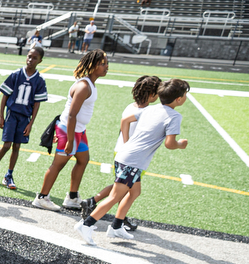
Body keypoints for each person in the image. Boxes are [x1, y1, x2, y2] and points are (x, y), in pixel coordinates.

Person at [75, 78, 189, 245]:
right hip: (132, 162)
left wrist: (126, 143)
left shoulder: (152, 109)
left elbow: (125, 121)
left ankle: (116, 226)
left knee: (134, 192)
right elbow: (170, 144)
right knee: (115, 196)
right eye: (185, 94)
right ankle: (86, 225)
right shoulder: (174, 116)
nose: (186, 97)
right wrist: (181, 145)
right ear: (178, 99)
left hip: (127, 157)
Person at [79, 75, 162, 230]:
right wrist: (128, 145)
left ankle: (102, 208)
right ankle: (114, 219)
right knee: (125, 188)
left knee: (125, 186)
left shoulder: (131, 106)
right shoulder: (148, 112)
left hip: (120, 151)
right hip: (131, 155)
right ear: (151, 95)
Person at [32, 50, 108, 212]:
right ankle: (42, 198)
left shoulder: (90, 84)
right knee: (58, 164)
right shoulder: (83, 86)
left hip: (79, 130)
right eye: (102, 64)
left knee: (83, 159)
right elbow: (72, 115)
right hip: (69, 131)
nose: (106, 67)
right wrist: (70, 140)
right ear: (92, 66)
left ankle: (72, 197)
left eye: (106, 63)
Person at [0, 46, 46, 191]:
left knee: (17, 147)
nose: (30, 60)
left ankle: (9, 174)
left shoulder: (39, 80)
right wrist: (1, 116)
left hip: (25, 117)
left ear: (40, 61)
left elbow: (37, 104)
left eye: (34, 58)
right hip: (12, 114)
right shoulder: (16, 74)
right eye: (29, 56)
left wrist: (31, 123)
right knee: (7, 145)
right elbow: (5, 95)